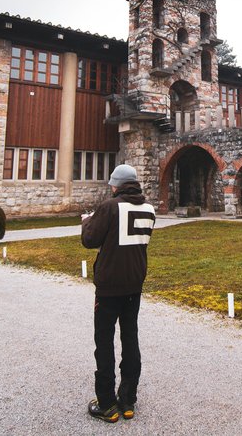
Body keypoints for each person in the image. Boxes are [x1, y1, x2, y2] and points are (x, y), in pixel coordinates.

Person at [81, 164, 156, 423]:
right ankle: (128, 401)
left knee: (104, 342)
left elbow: (90, 240)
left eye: (112, 183)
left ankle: (106, 403)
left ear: (117, 184)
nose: (110, 187)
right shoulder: (149, 209)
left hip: (109, 287)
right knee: (130, 340)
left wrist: (87, 222)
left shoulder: (109, 207)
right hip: (134, 285)